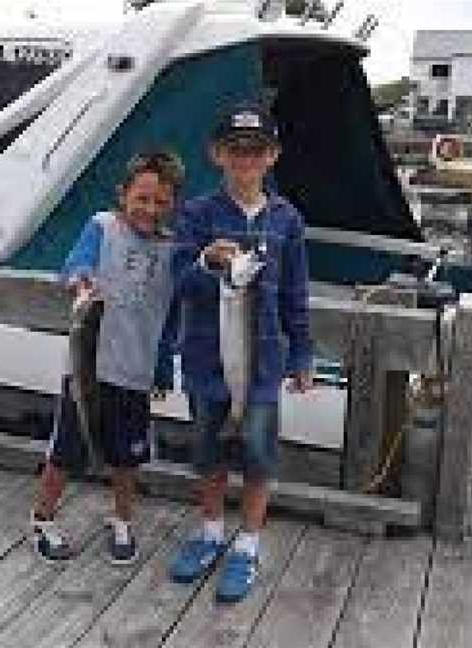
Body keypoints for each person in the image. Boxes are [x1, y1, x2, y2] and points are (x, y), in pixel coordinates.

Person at [168, 104, 313, 602]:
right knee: (208, 454)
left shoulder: (287, 219)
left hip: (263, 367)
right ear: (217, 154)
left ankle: (247, 545)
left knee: (257, 456)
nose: (245, 159)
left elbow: (296, 293)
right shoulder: (197, 214)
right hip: (207, 364)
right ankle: (210, 534)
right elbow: (180, 281)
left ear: (272, 156)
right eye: (235, 150)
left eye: (255, 150)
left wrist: (302, 355)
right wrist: (208, 260)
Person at [29, 150, 184, 565]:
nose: (150, 209)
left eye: (161, 202)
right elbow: (74, 264)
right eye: (142, 198)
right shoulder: (103, 226)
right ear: (124, 195)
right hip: (88, 370)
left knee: (127, 455)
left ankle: (122, 518)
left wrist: (164, 365)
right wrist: (81, 280)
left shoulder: (172, 251)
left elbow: (169, 318)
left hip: (136, 372)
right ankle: (43, 518)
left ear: (172, 204)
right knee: (66, 449)